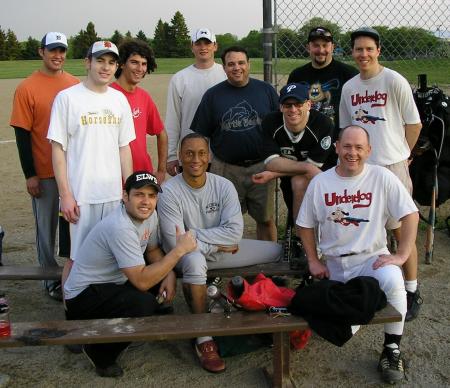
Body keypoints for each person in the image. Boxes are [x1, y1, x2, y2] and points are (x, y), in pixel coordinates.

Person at [297, 125, 419, 384]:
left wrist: (402, 254)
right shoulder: (321, 182)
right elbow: (305, 224)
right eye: (348, 147)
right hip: (334, 265)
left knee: (394, 280)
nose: (353, 153)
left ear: (369, 150)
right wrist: (312, 260)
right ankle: (355, 315)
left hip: (370, 259)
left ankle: (392, 348)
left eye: (359, 147)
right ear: (337, 147)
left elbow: (411, 214)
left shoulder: (381, 177)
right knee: (335, 325)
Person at [157, 133, 282, 373]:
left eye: (201, 153)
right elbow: (175, 242)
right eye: (189, 153)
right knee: (194, 262)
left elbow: (234, 233)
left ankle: (264, 309)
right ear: (180, 158)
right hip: (185, 257)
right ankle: (204, 337)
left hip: (215, 248)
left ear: (210, 156)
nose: (196, 159)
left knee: (276, 251)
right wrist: (215, 243)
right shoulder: (169, 191)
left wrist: (198, 240)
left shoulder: (223, 185)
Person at [64, 171, 197, 377]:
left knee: (156, 280)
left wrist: (169, 274)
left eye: (152, 196)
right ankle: (98, 352)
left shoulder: (150, 215)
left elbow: (152, 251)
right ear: (125, 196)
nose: (146, 201)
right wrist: (178, 251)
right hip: (83, 296)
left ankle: (140, 317)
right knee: (142, 303)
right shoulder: (120, 226)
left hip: (112, 282)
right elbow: (142, 281)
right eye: (139, 195)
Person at [339, 27, 423, 321]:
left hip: (392, 164)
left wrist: (404, 156)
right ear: (352, 52)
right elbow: (347, 130)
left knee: (401, 230)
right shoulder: (349, 88)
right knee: (369, 229)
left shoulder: (393, 80)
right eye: (358, 49)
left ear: (378, 51)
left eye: (368, 49)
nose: (363, 54)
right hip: (363, 169)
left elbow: (414, 124)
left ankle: (411, 289)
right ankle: (381, 284)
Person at [47, 41, 135, 286]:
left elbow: (124, 148)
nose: (105, 67)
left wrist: (128, 190)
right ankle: (71, 312)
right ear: (88, 62)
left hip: (112, 196)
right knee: (76, 259)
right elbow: (58, 149)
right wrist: (66, 195)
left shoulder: (119, 100)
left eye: (111, 62)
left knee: (114, 257)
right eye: (100, 61)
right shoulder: (67, 98)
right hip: (81, 197)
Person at [10, 32, 79, 300]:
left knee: (75, 225)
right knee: (46, 228)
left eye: (62, 50)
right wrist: (31, 175)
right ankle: (50, 280)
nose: (58, 55)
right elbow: (21, 135)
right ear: (41, 52)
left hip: (72, 172)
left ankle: (75, 275)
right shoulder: (27, 87)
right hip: (45, 172)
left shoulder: (74, 84)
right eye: (52, 50)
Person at [191, 46, 279, 242]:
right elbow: (201, 135)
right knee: (226, 223)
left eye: (241, 63)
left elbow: (279, 127)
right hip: (226, 168)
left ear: (249, 64)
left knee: (265, 219)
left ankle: (266, 268)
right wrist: (206, 164)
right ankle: (230, 267)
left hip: (261, 166)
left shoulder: (265, 91)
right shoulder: (213, 95)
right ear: (224, 68)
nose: (236, 68)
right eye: (231, 64)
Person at [252, 83, 334, 264]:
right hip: (295, 176)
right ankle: (302, 241)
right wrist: (297, 168)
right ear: (281, 107)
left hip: (327, 177)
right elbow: (271, 162)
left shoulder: (322, 123)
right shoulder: (271, 122)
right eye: (288, 105)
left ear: (308, 105)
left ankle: (313, 241)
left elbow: (315, 167)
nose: (293, 110)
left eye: (298, 104)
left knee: (299, 182)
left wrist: (275, 173)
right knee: (297, 180)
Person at [288, 26, 358, 169]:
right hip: (305, 145)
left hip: (337, 146)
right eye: (316, 45)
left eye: (325, 45)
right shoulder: (297, 75)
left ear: (333, 47)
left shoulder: (348, 74)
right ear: (308, 47)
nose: (321, 50)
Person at [165, 27, 226, 176]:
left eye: (207, 43)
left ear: (215, 46)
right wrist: (171, 155)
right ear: (192, 46)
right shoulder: (180, 78)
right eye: (198, 43)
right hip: (191, 155)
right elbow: (173, 120)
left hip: (222, 155)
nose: (203, 47)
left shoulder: (226, 74)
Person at [111, 39, 168, 183]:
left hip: (143, 176)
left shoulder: (144, 97)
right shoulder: (108, 96)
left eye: (144, 64)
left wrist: (161, 170)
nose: (140, 68)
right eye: (134, 62)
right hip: (115, 179)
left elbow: (161, 133)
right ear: (122, 63)